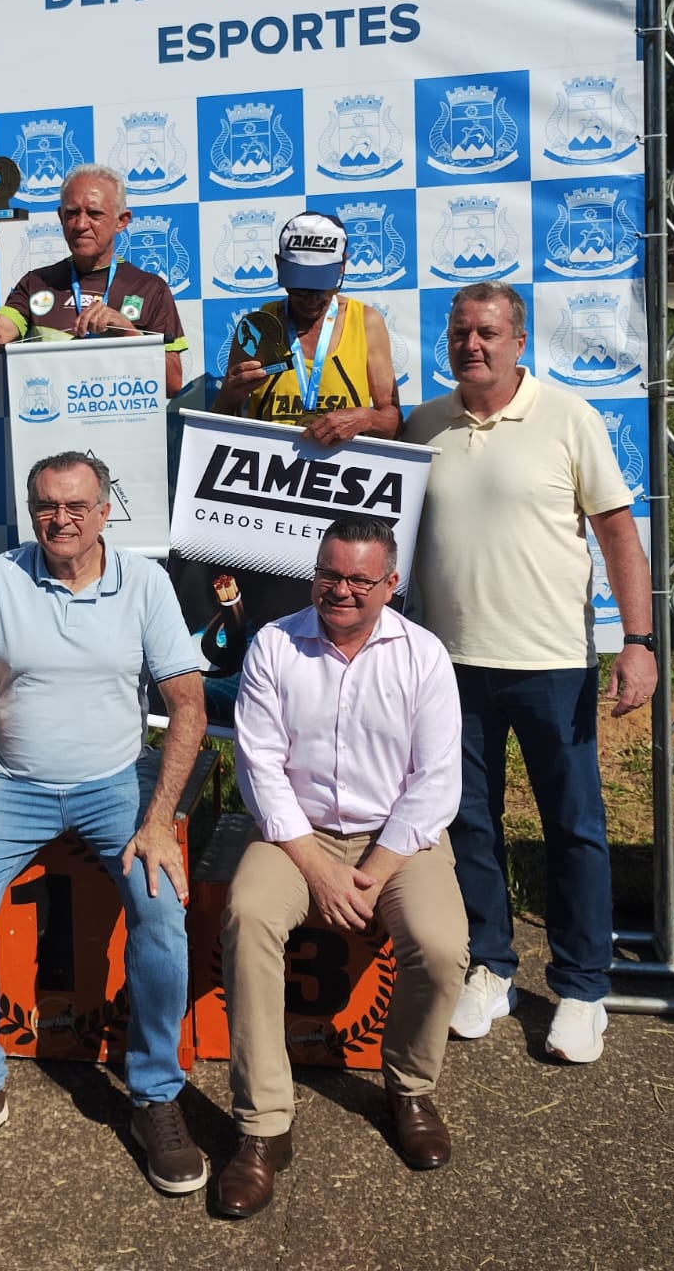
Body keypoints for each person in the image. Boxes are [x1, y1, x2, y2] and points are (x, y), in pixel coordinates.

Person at [0, 452, 208, 1194]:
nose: (62, 519)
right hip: (10, 785)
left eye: (78, 505)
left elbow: (187, 705)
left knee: (159, 904)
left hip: (115, 783)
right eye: (47, 505)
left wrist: (158, 820)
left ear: (106, 511)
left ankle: (155, 1096)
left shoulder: (144, 583)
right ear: (31, 510)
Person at [404, 282, 657, 1065]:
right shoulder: (424, 425)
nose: (471, 345)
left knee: (574, 828)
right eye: (460, 333)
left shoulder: (568, 417)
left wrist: (639, 641)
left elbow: (618, 534)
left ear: (518, 341)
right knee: (468, 823)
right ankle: (492, 968)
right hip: (451, 666)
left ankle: (582, 988)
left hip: (551, 664)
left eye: (487, 332)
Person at [217, 516, 467, 1217]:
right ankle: (263, 1125)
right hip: (296, 835)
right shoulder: (274, 644)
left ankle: (410, 1089)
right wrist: (319, 870)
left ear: (391, 584)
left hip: (398, 838)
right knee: (248, 916)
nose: (342, 590)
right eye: (330, 574)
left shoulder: (424, 655)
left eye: (360, 579)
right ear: (315, 573)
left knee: (442, 945)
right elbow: (259, 767)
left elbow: (435, 781)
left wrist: (375, 872)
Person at [0, 164, 188, 397]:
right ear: (61, 217)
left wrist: (127, 331)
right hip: (52, 418)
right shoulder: (36, 283)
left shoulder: (150, 288)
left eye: (94, 214)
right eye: (72, 213)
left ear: (121, 221)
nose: (81, 225)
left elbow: (172, 384)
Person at [212, 210, 400, 443]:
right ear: (279, 265)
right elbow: (219, 427)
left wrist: (367, 419)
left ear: (342, 266)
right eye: (299, 289)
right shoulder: (257, 327)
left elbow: (393, 426)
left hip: (342, 466)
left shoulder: (366, 322)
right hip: (270, 464)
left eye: (322, 288)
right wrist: (229, 396)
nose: (311, 300)